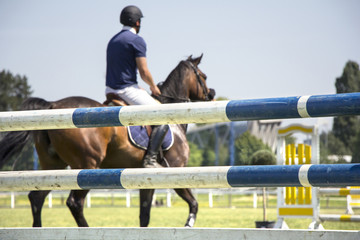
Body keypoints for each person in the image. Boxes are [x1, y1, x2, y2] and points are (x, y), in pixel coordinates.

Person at [105, 5, 168, 168]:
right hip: (125, 90)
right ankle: (150, 160)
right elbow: (144, 71)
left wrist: (137, 87)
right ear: (137, 22)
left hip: (110, 90)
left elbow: (121, 71)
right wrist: (153, 87)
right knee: (163, 116)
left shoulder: (113, 40)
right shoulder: (136, 40)